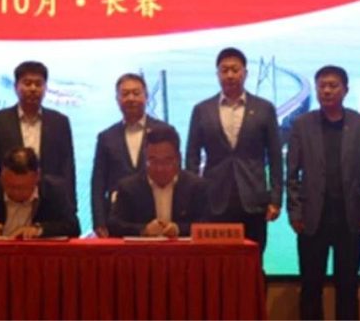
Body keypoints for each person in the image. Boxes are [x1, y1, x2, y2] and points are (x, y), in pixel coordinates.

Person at [286, 65, 360, 320]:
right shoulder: (302, 124)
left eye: (333, 85)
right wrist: (295, 212)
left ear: (345, 90)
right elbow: (292, 174)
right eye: (322, 86)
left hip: (350, 218)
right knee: (310, 287)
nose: (327, 91)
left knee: (348, 287)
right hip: (311, 219)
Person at [185, 48, 282, 253]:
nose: (229, 75)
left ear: (245, 73)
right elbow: (192, 157)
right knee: (215, 260)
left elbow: (275, 157)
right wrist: (191, 197)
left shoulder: (264, 108)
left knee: (253, 259)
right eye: (224, 70)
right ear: (217, 74)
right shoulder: (202, 109)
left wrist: (275, 199)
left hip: (253, 199)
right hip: (213, 199)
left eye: (235, 70)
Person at [0, 61, 77, 205]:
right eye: (27, 83)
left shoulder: (60, 122)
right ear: (16, 87)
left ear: (45, 88)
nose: (33, 88)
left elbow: (67, 168)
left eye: (38, 84)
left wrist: (70, 204)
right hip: (8, 199)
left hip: (49, 202)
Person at [90, 73, 168, 237]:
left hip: (156, 216)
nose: (131, 98)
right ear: (117, 99)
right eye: (125, 94)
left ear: (146, 96)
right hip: (118, 219)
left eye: (136, 93)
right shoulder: (106, 137)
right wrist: (99, 221)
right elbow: (98, 183)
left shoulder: (164, 131)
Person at [108, 124, 208, 237]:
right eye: (153, 161)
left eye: (166, 161)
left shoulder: (196, 187)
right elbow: (114, 226)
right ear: (145, 158)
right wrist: (144, 230)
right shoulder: (128, 188)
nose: (160, 168)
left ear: (178, 158)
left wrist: (179, 229)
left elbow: (206, 223)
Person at [0, 147, 80, 239]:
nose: (16, 193)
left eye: (23, 188)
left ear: (37, 177)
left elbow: (73, 227)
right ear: (1, 176)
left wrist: (39, 229)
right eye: (9, 186)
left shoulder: (54, 190)